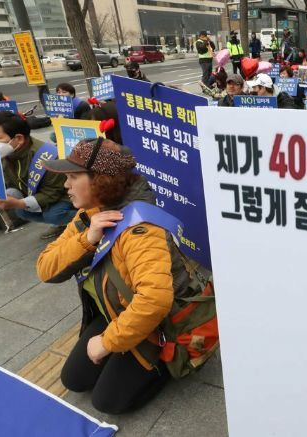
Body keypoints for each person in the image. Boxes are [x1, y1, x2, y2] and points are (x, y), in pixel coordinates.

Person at [36, 138, 181, 414]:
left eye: (73, 176)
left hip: (159, 325)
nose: (66, 185)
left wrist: (106, 342)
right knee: (74, 380)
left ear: (100, 180)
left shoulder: (141, 228)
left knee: (107, 402)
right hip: (115, 310)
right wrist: (87, 239)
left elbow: (155, 301)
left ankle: (169, 362)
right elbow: (45, 268)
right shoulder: (91, 211)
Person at [0, 111, 76, 238]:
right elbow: (10, 184)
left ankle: (83, 220)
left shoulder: (48, 157)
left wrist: (19, 203)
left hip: (65, 195)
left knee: (53, 215)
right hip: (37, 193)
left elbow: (52, 192)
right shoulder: (6, 153)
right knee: (19, 207)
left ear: (19, 139)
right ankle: (63, 223)